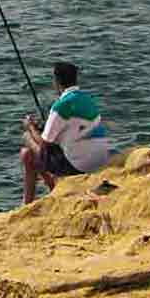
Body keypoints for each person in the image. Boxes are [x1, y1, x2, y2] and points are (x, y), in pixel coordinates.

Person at [19, 62, 110, 204]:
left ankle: (28, 203)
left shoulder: (60, 106)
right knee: (36, 150)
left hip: (79, 166)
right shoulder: (87, 99)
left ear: (56, 81)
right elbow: (74, 129)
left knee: (27, 150)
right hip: (100, 159)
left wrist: (30, 127)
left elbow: (44, 143)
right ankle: (52, 185)